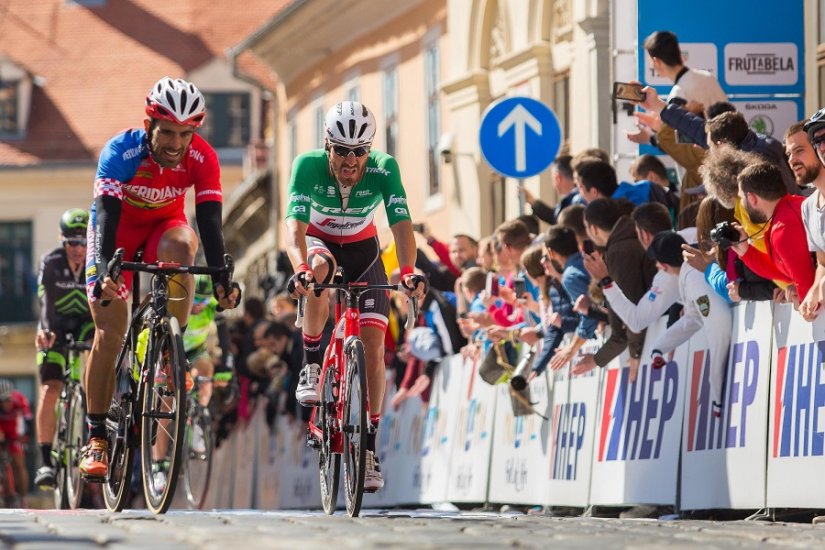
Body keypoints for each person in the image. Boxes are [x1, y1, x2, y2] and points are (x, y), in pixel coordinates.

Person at [80, 77, 241, 481]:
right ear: (148, 123)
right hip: (116, 233)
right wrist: (103, 271)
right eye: (167, 132)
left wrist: (221, 275)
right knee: (110, 331)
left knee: (183, 249)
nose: (175, 143)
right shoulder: (122, 150)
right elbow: (105, 215)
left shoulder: (202, 157)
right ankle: (96, 435)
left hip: (163, 230)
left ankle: (171, 349)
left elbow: (208, 221)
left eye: (185, 134)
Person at [284, 100, 426, 492]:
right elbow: (293, 226)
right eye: (342, 151)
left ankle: (366, 448)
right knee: (317, 272)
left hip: (364, 251)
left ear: (369, 150)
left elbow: (401, 224)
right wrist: (298, 267)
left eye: (359, 151)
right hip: (319, 242)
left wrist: (410, 271)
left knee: (374, 346)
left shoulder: (384, 168)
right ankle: (312, 364)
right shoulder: (307, 165)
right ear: (327, 145)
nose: (350, 161)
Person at [33, 209, 94, 489]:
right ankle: (46, 460)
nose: (79, 249)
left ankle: (93, 420)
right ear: (62, 240)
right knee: (51, 388)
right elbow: (45, 303)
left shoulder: (95, 261)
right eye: (72, 242)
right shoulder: (51, 262)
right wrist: (45, 330)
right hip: (54, 325)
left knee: (96, 349)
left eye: (83, 242)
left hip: (84, 324)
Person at [646, 232, 732, 418]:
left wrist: (717, 396)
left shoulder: (693, 278)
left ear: (664, 266)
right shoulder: (689, 271)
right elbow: (694, 316)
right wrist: (659, 348)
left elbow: (719, 325)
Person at [730, 162, 815, 312]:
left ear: (752, 198)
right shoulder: (794, 206)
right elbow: (783, 272)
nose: (743, 205)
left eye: (741, 198)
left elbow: (809, 296)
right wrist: (746, 252)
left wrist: (801, 304)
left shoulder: (783, 228)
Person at [0, 379, 33, 505]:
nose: (5, 404)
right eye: (1, 401)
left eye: (7, 400)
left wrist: (26, 436)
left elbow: (28, 419)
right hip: (1, 428)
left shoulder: (19, 399)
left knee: (19, 463)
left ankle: (23, 496)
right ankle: (8, 494)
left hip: (14, 429)